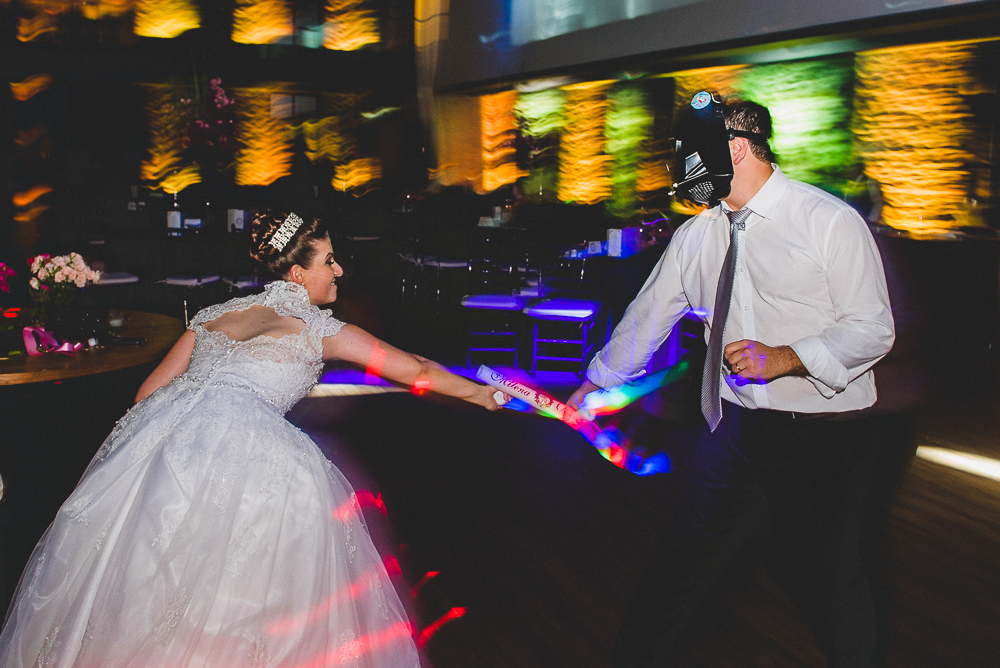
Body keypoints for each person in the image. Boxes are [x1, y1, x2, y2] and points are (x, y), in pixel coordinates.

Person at [0, 210, 501, 668]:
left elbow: (147, 394)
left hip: (166, 446)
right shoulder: (316, 327)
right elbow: (416, 369)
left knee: (147, 584)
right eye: (330, 261)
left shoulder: (212, 315)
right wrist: (480, 394)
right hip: (248, 448)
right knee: (243, 596)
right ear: (297, 274)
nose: (340, 270)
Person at [568, 95, 895, 667]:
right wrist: (596, 383)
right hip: (735, 427)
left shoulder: (828, 222)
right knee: (681, 566)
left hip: (824, 438)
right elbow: (649, 314)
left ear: (737, 149)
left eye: (689, 153)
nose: (679, 166)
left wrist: (787, 357)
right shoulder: (698, 235)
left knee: (831, 582)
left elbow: (873, 330)